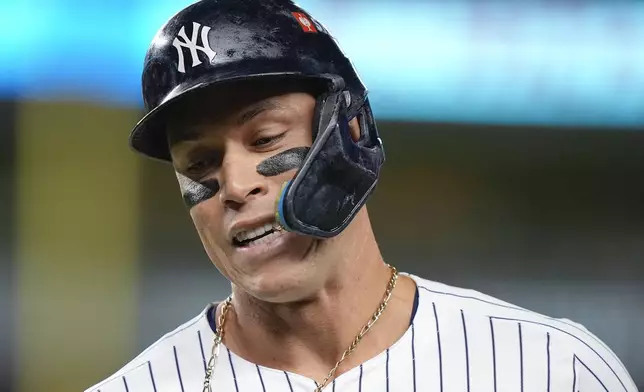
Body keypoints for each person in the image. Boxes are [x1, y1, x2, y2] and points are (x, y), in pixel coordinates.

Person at [86, 1, 638, 391]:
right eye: (200, 163)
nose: (234, 185)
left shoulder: (551, 370)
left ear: (350, 131)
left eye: (267, 139)